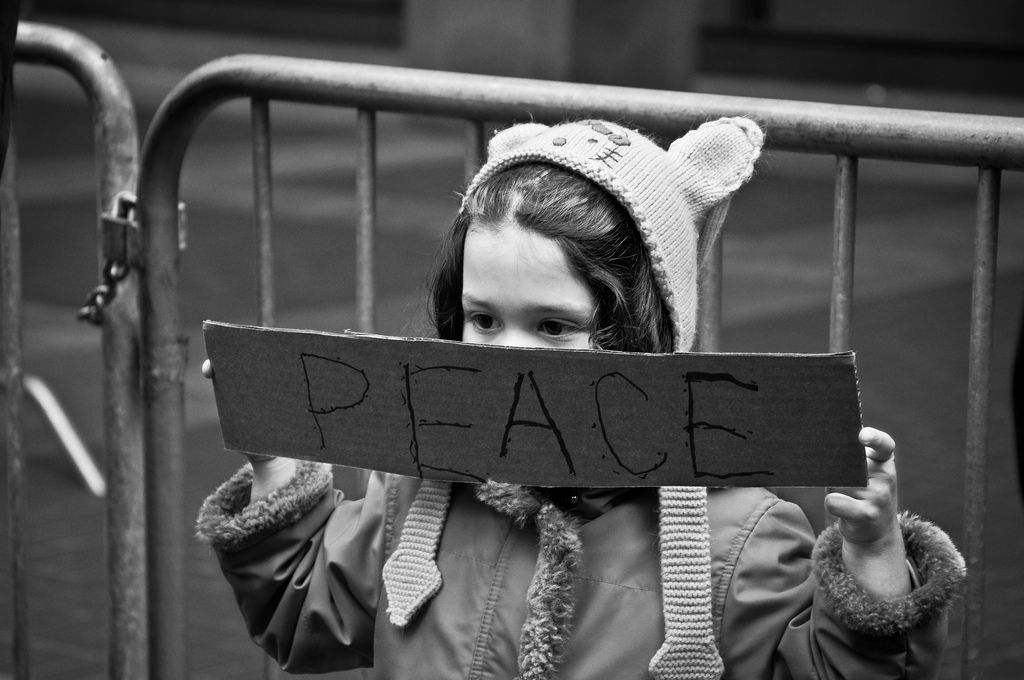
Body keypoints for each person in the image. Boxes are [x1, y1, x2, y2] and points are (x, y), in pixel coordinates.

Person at [196, 118, 965, 679]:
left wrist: (871, 561)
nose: (509, 359)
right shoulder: (416, 495)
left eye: (555, 326)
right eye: (483, 319)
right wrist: (276, 473)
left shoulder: (738, 536)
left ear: (642, 334)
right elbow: (305, 620)